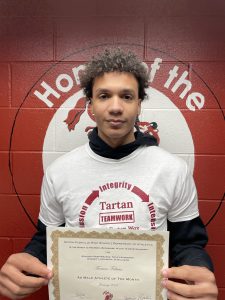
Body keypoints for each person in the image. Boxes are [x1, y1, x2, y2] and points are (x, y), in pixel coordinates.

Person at [0, 48, 218, 300]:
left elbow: (187, 243)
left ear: (139, 105)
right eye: (104, 96)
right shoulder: (58, 172)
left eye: (126, 96)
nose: (115, 107)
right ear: (90, 104)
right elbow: (45, 240)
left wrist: (200, 271)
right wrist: (26, 261)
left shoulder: (172, 170)